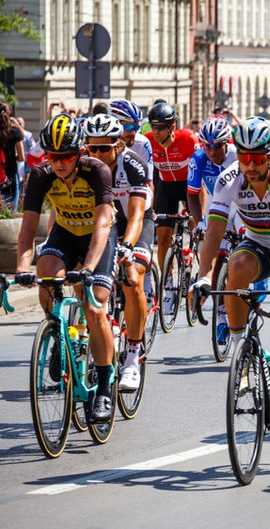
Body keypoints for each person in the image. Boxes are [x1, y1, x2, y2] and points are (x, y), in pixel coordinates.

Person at [191, 117, 270, 449]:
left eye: (257, 157)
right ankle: (241, 349)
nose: (249, 164)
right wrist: (204, 275)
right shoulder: (229, 179)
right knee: (236, 264)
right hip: (259, 245)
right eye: (244, 156)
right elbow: (215, 231)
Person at [17, 114, 117, 421]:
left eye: (67, 156)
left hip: (97, 237)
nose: (59, 163)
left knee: (95, 306)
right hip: (65, 231)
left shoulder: (96, 170)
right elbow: (28, 227)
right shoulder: (41, 175)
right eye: (53, 156)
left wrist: (87, 267)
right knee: (46, 273)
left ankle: (103, 386)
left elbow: (103, 222)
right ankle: (58, 333)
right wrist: (23, 266)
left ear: (80, 152)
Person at [83, 114, 154, 391]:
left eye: (104, 148)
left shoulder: (134, 165)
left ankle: (133, 358)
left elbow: (137, 214)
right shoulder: (83, 166)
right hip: (103, 223)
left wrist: (127, 246)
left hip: (135, 221)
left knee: (133, 276)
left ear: (118, 145)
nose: (98, 154)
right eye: (92, 148)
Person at [186, 118, 239, 344]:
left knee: (241, 256)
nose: (211, 151)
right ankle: (221, 315)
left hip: (241, 207)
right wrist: (198, 223)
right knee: (215, 256)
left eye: (216, 146)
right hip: (217, 207)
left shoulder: (238, 156)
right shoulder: (198, 158)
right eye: (206, 146)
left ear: (226, 143)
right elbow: (192, 193)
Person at [145, 102, 199, 269]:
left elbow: (201, 173)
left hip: (189, 188)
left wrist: (200, 217)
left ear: (172, 127)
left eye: (160, 128)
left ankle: (196, 263)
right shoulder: (148, 141)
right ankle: (167, 286)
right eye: (153, 127)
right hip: (166, 187)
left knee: (198, 231)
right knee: (162, 240)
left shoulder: (188, 139)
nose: (155, 132)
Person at [109, 100, 154, 176]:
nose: (133, 132)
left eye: (136, 127)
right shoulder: (100, 146)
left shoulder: (142, 143)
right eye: (128, 127)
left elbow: (148, 183)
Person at [0, 102, 24, 204]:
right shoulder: (14, 132)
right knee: (9, 215)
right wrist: (18, 125)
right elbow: (21, 157)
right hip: (11, 177)